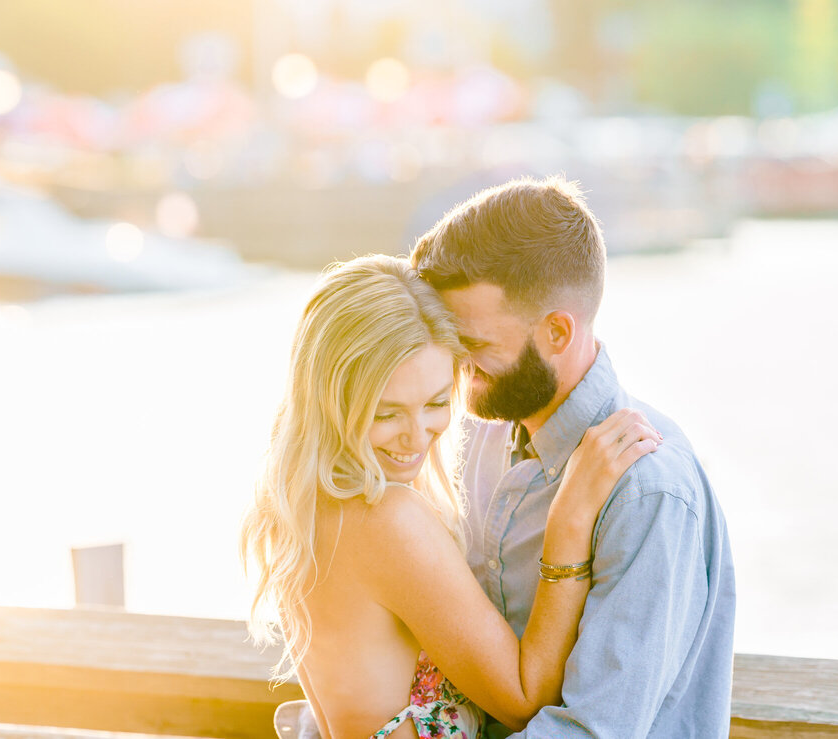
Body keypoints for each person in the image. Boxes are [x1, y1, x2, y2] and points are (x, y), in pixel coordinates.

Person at [240, 254, 660, 739]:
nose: (417, 436)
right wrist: (571, 514)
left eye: (438, 403)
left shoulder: (304, 504)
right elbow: (525, 699)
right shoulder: (387, 520)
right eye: (386, 412)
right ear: (332, 400)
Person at [410, 176, 736, 739]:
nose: (460, 366)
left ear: (558, 332)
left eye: (478, 346)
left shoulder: (647, 491)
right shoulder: (478, 435)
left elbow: (593, 731)